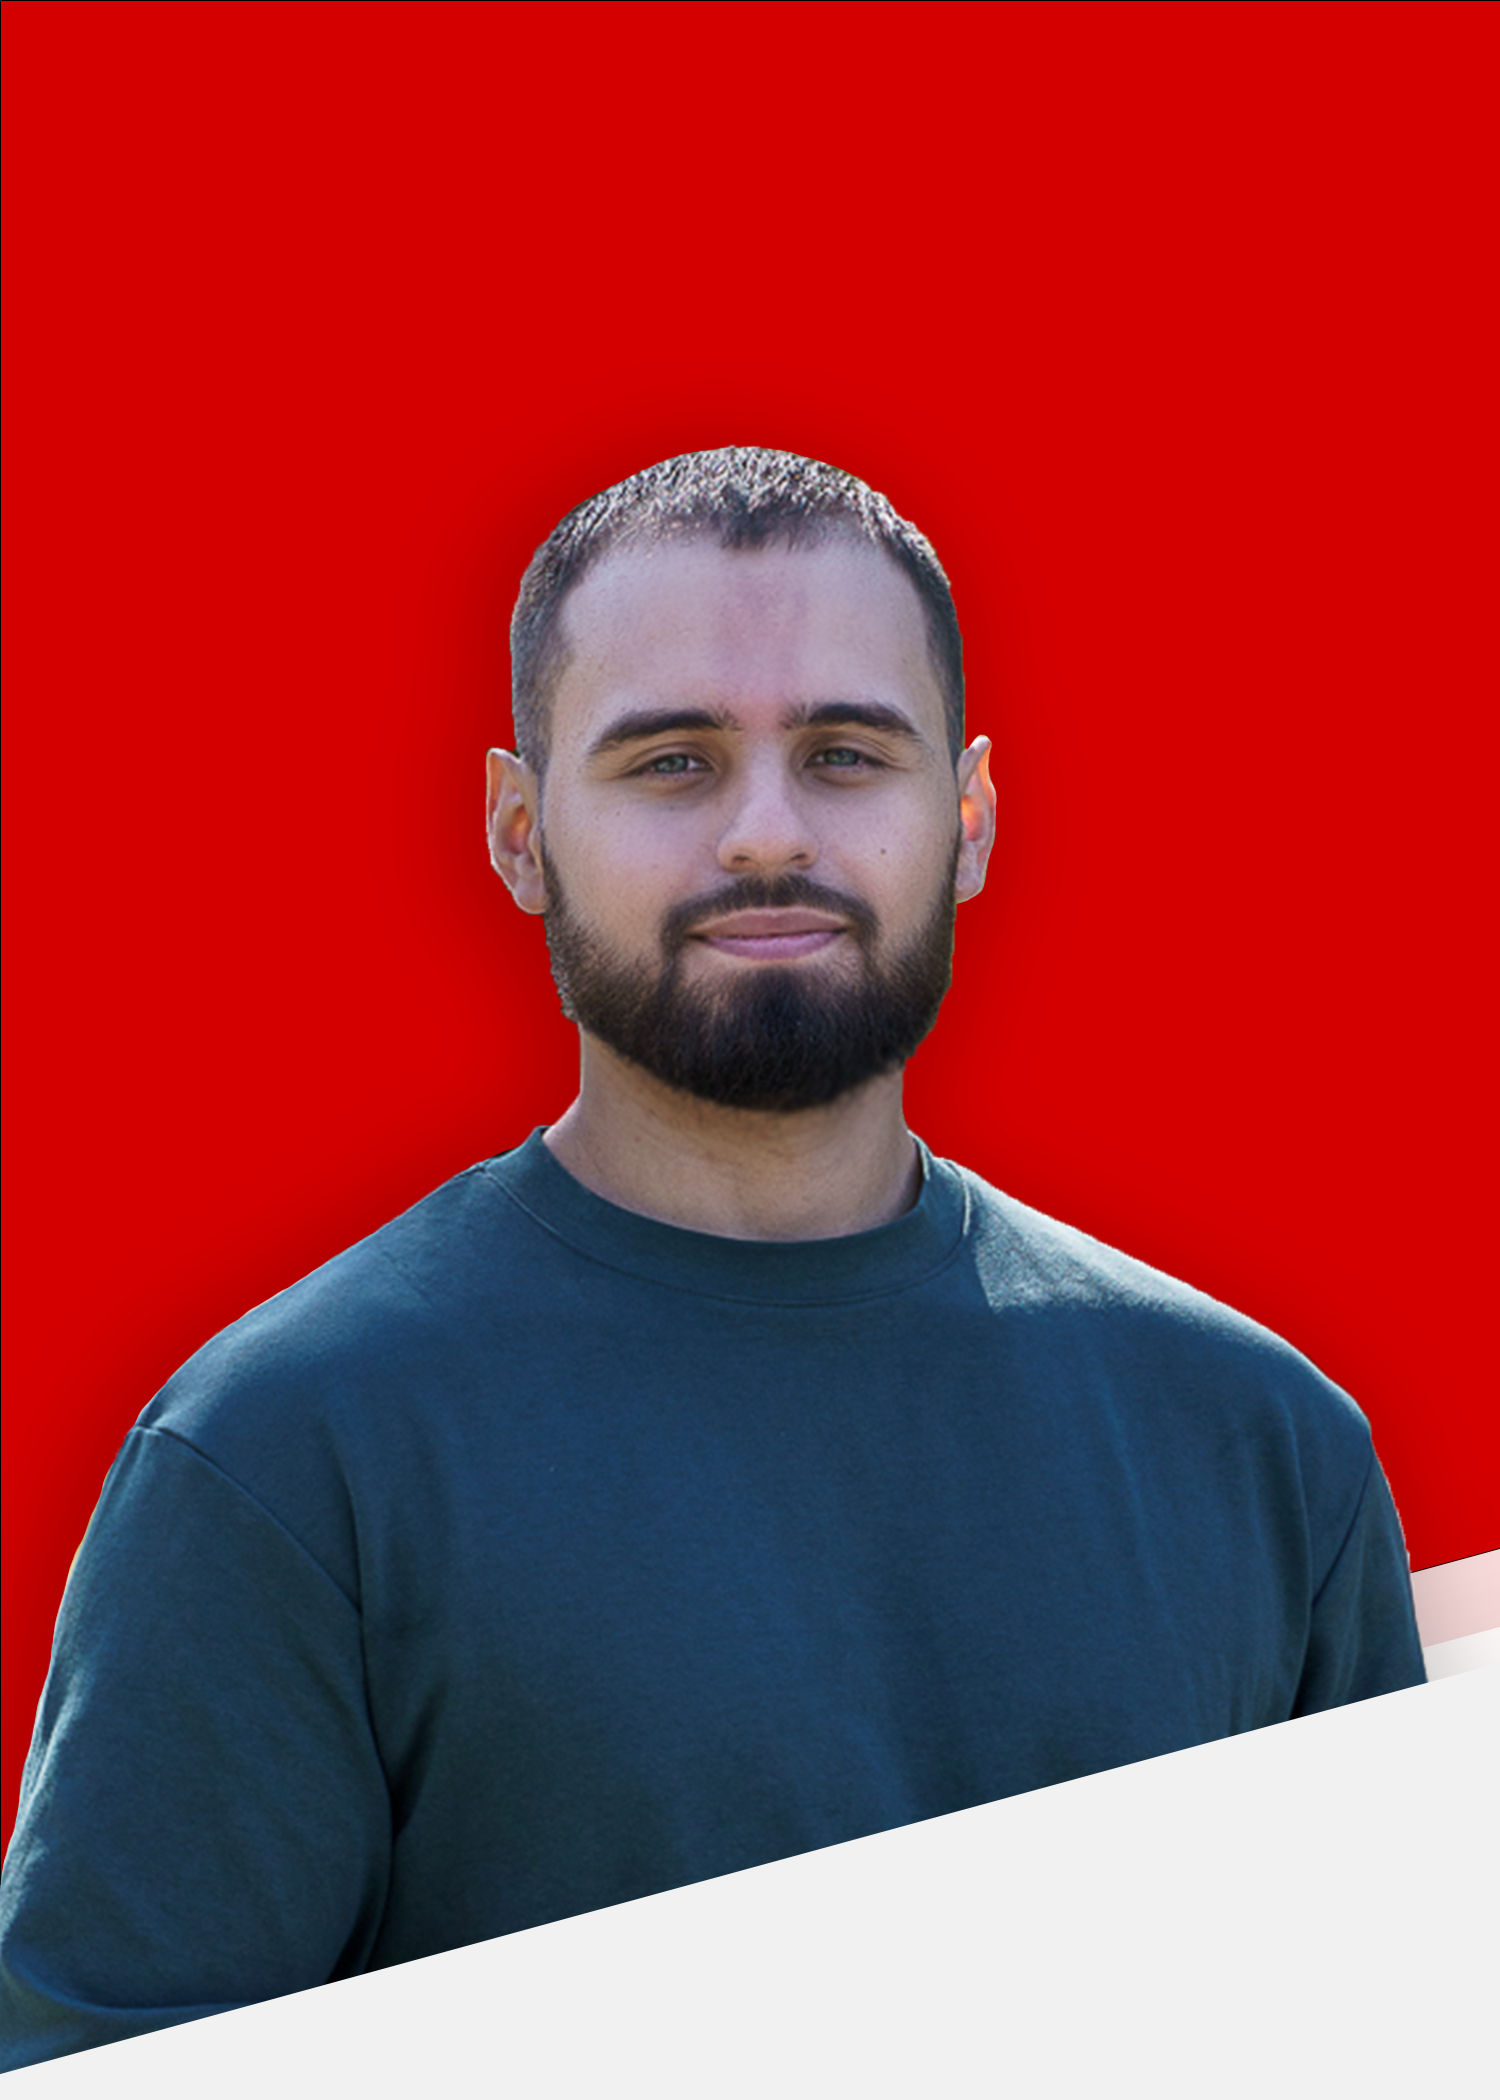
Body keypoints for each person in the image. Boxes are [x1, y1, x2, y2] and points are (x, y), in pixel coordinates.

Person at [0, 448, 1424, 2065]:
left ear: (966, 819)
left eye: (843, 753)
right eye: (673, 762)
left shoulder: (1261, 1448)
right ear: (521, 831)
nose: (764, 834)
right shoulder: (284, 1459)